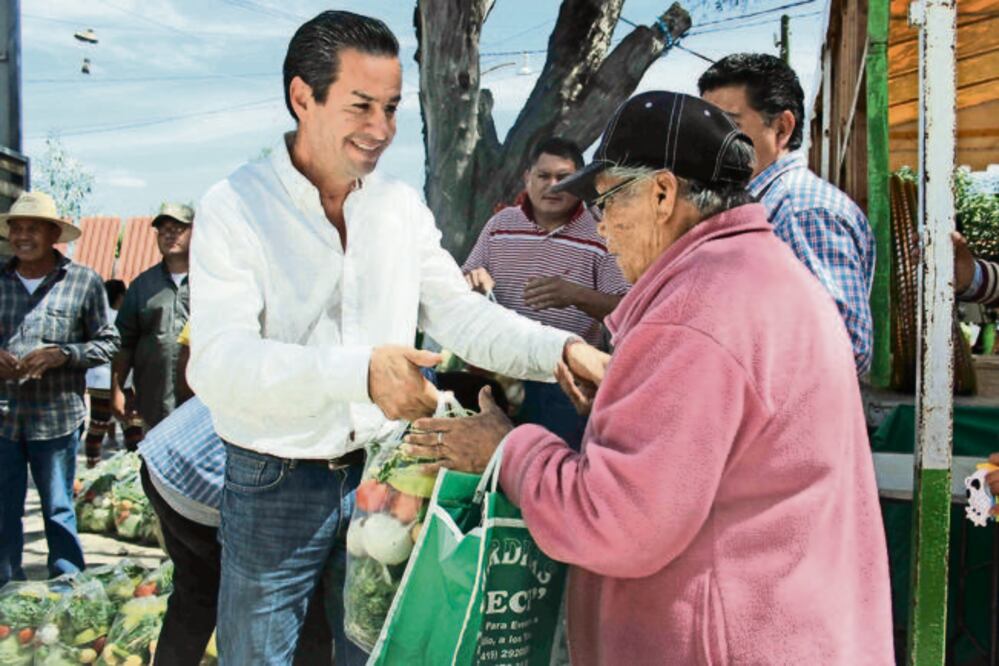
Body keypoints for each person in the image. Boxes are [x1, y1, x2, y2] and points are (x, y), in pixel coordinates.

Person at [406, 92, 895, 665]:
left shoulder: (695, 310)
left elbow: (615, 523)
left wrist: (507, 450)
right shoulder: (766, 274)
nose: (601, 224)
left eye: (608, 199)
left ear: (663, 194)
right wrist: (628, 404)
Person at [187, 11, 605, 664]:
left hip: (388, 480)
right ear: (303, 97)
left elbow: (461, 315)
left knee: (381, 652)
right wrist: (360, 373)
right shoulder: (234, 207)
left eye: (390, 108)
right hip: (272, 489)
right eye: (361, 106)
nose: (380, 130)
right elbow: (217, 363)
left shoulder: (398, 208)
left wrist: (558, 350)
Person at [138, 323, 333, 666]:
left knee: (196, 592)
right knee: (290, 601)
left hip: (165, 454)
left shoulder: (295, 352)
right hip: (197, 480)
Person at [699, 53, 875, 374]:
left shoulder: (801, 211)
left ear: (782, 127)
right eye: (707, 124)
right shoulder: (764, 205)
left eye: (729, 125)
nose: (712, 139)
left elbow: (845, 348)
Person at [462, 137, 629, 448]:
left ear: (582, 182)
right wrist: (472, 277)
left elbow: (626, 309)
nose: (552, 186)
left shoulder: (602, 233)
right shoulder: (500, 225)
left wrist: (575, 294)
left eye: (564, 178)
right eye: (543, 176)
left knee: (550, 475)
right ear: (528, 178)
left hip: (563, 384)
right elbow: (462, 283)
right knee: (487, 478)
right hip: (497, 376)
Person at [0, 191, 120, 587]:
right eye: (16, 228)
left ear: (53, 233)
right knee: (4, 508)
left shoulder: (82, 281)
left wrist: (62, 355)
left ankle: (67, 588)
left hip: (56, 418)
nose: (23, 236)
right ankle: (7, 587)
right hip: (4, 417)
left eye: (33, 228)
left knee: (57, 508)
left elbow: (108, 342)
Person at [111, 202, 192, 445]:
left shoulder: (214, 279)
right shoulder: (141, 286)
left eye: (178, 228)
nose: (170, 234)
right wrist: (116, 390)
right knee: (156, 472)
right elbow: (123, 342)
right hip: (154, 403)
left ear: (195, 232)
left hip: (205, 403)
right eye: (163, 229)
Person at [83, 278, 127, 467]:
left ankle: (92, 464)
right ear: (120, 296)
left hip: (97, 378)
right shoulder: (123, 317)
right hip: (121, 378)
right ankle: (136, 468)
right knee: (132, 423)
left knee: (97, 424)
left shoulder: (98, 317)